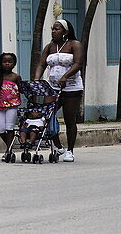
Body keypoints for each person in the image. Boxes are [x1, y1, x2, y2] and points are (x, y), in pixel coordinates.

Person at [34, 18, 84, 162]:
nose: (54, 31)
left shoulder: (75, 44)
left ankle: (70, 150)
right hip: (52, 87)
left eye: (57, 29)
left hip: (71, 87)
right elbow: (42, 64)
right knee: (47, 115)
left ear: (65, 31)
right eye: (53, 29)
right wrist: (37, 79)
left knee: (69, 119)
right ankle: (57, 145)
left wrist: (65, 76)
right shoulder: (50, 47)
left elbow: (78, 63)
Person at [0, 52, 22, 148]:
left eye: (10, 62)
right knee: (1, 128)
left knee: (9, 127)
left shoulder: (16, 77)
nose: (7, 64)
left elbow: (21, 89)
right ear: (0, 63)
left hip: (12, 106)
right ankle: (10, 145)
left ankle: (9, 150)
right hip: (0, 106)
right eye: (4, 62)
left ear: (14, 63)